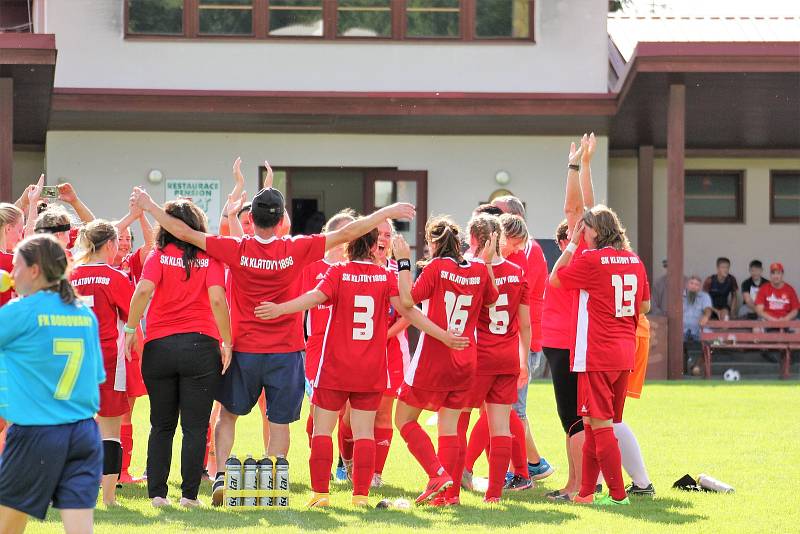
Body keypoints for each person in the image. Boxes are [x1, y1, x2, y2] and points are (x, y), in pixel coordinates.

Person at [130, 184, 415, 506]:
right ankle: (272, 483)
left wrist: (150, 206)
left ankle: (222, 474)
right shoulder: (296, 248)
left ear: (251, 217)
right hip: (286, 350)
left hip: (245, 348)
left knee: (227, 415)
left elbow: (182, 231)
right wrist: (387, 212)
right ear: (282, 221)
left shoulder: (236, 248)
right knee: (278, 421)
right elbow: (348, 231)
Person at [257, 225, 468, 507]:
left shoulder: (338, 273)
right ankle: (361, 497)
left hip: (334, 367)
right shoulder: (385, 276)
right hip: (370, 369)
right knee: (364, 432)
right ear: (371, 247)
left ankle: (320, 495)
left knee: (322, 430)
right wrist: (442, 335)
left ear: (348, 246)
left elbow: (313, 299)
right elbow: (409, 310)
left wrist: (280, 308)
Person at [123, 199, 232, 508]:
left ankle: (157, 494)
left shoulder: (157, 256)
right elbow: (218, 301)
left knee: (161, 424)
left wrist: (131, 330)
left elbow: (142, 291)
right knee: (196, 426)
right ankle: (189, 496)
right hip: (201, 346)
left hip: (159, 346)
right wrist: (227, 341)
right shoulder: (210, 258)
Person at [0, 235, 105, 533]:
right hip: (84, 432)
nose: (11, 273)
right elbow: (94, 376)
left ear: (35, 271)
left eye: (16, 266)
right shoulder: (84, 313)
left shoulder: (20, 312)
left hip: (36, 432)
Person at [393, 216, 499, 506]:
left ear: (433, 242)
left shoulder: (438, 268)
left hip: (434, 357)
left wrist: (403, 262)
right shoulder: (477, 269)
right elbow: (492, 300)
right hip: (465, 358)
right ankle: (449, 497)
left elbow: (407, 301)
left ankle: (437, 474)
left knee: (403, 419)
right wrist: (487, 263)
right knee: (449, 427)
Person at [550, 205, 650, 506]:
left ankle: (618, 497)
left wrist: (572, 244)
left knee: (601, 425)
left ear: (595, 230)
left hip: (597, 352)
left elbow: (555, 278)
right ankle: (586, 494)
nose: (583, 232)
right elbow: (644, 306)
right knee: (594, 424)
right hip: (624, 351)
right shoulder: (634, 260)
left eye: (586, 227)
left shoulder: (592, 260)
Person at [463, 214, 531, 502]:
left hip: (479, 357)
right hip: (507, 357)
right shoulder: (517, 272)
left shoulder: (473, 270)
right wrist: (524, 359)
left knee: (457, 421)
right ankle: (493, 495)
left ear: (475, 240)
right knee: (501, 426)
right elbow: (525, 324)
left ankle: (454, 484)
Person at [541, 135, 594, 502]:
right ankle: (573, 482)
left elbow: (577, 208)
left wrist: (575, 166)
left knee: (574, 418)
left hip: (568, 344)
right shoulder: (584, 256)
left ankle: (579, 486)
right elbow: (583, 209)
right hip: (564, 343)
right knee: (570, 418)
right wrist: (582, 166)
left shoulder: (578, 257)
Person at [70, 220, 134, 507]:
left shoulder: (69, 275)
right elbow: (132, 316)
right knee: (110, 431)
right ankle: (109, 498)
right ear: (109, 244)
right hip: (107, 359)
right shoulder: (115, 277)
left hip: (72, 360)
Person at [492, 196, 554, 481]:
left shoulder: (522, 252)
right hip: (519, 337)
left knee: (512, 410)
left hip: (521, 340)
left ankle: (519, 470)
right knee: (510, 410)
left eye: (498, 216)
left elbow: (513, 301)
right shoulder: (526, 248)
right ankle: (533, 463)